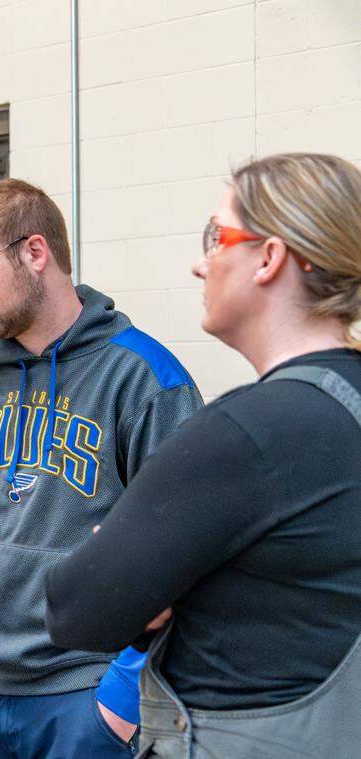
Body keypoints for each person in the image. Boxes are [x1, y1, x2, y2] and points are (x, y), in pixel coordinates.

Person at [46, 153, 361, 758]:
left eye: (217, 238)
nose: (200, 264)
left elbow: (78, 608)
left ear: (269, 258)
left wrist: (156, 585)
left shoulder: (249, 432)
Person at [0, 179, 202, 758]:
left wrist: (119, 703)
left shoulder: (144, 378)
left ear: (34, 252)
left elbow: (184, 555)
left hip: (87, 692)